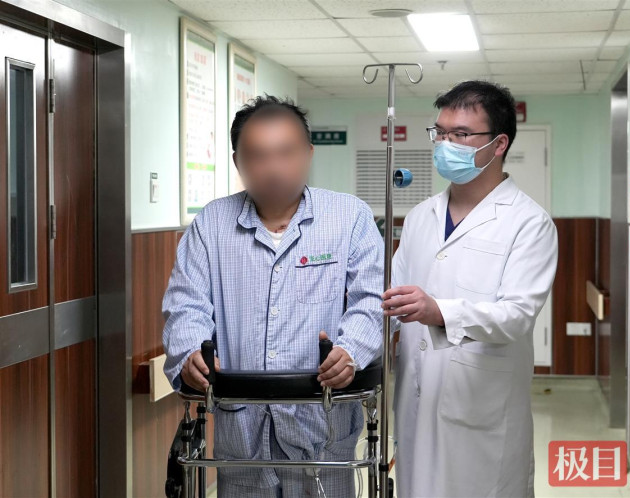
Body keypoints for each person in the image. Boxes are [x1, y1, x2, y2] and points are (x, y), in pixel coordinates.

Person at [163, 95, 384, 497]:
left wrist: (350, 350)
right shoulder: (212, 223)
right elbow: (185, 304)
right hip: (241, 430)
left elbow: (371, 301)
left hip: (322, 424)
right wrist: (190, 351)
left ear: (308, 154)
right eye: (259, 156)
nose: (274, 168)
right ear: (238, 162)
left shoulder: (349, 217)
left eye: (286, 153)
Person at [382, 80, 558, 497]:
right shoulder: (421, 217)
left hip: (483, 410)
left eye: (461, 134)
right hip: (416, 399)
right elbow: (392, 299)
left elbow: (516, 316)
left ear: (499, 144)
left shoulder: (528, 223)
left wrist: (439, 311)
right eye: (440, 133)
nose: (446, 144)